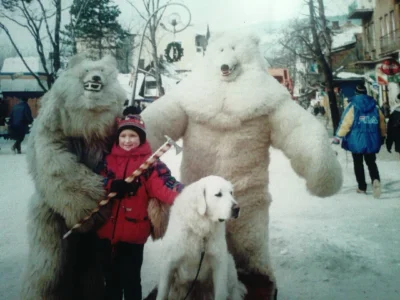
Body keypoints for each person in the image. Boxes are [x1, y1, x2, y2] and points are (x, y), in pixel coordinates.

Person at [96, 113, 184, 300]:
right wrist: (110, 185)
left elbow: (166, 187)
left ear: (141, 138)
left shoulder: (151, 165)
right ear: (117, 137)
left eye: (133, 136)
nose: (127, 140)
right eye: (123, 136)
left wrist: (191, 194)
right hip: (104, 232)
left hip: (133, 235)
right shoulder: (107, 161)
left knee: (130, 281)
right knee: (110, 282)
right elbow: (92, 183)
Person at [332, 84, 386, 198]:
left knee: (358, 164)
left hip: (356, 141)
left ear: (356, 93)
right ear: (366, 92)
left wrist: (338, 136)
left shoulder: (352, 106)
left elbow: (346, 123)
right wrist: (382, 136)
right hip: (372, 140)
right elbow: (382, 123)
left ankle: (362, 187)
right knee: (371, 163)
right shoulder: (375, 106)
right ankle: (375, 180)